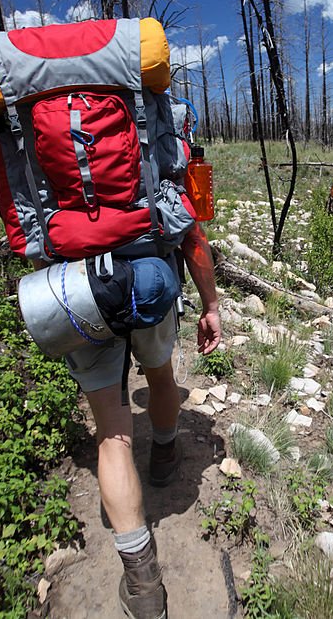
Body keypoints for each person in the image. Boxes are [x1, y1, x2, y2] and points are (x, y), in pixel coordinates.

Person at [53, 222, 220, 619]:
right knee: (161, 376)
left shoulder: (41, 156)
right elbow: (191, 233)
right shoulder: (155, 154)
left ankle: (144, 587)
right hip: (149, 277)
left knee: (111, 432)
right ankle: (163, 455)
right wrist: (211, 305)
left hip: (79, 284)